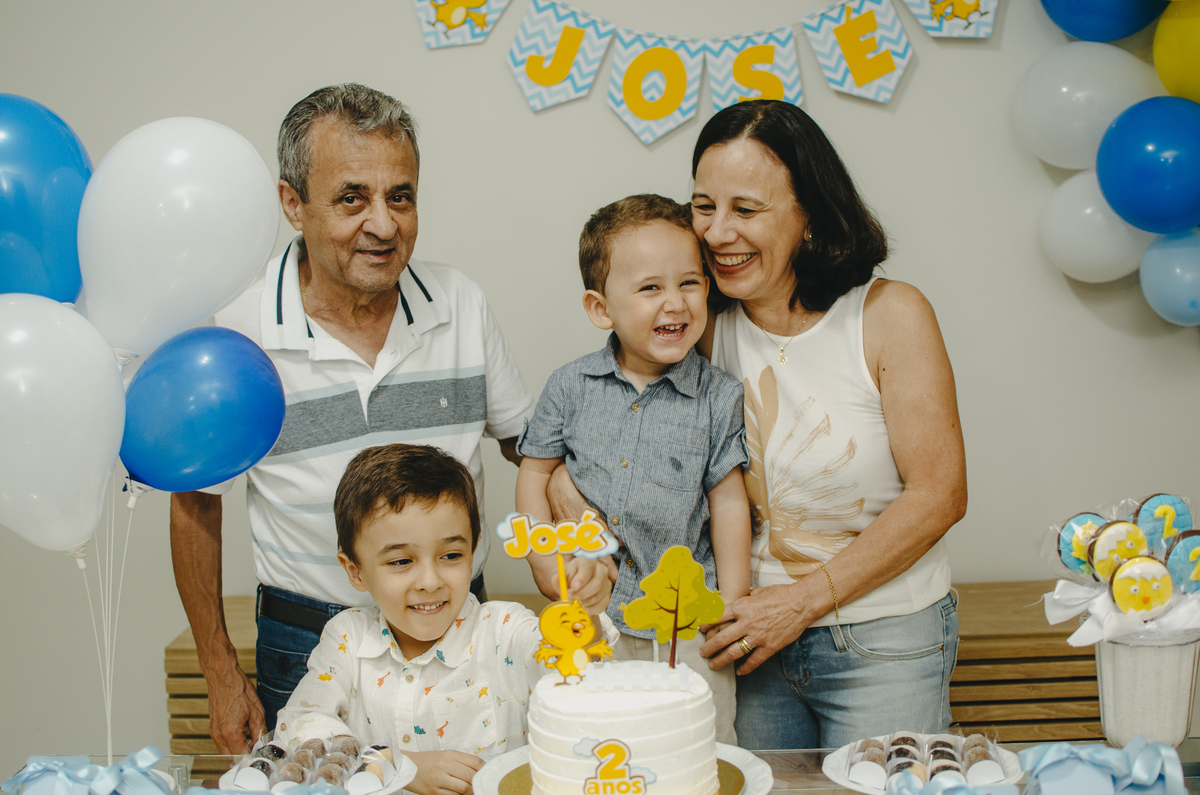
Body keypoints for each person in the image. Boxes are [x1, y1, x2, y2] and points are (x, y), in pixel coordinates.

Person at [170, 83, 534, 753]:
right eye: (351, 198)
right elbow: (195, 503)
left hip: (457, 628)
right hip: (305, 638)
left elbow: (531, 447)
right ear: (293, 203)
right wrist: (218, 669)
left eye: (401, 196)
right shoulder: (237, 329)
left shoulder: (461, 303)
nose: (384, 224)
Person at [687, 100, 968, 749]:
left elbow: (940, 493)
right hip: (751, 641)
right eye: (704, 206)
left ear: (810, 215)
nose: (718, 232)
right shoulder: (699, 326)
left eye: (746, 209)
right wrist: (557, 480)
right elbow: (616, 411)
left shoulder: (889, 314)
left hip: (884, 638)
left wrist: (800, 602)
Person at [516, 194, 751, 744]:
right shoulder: (569, 386)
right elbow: (534, 474)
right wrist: (545, 565)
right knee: (594, 744)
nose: (675, 303)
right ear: (601, 309)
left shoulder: (719, 397)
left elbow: (728, 501)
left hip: (687, 626)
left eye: (689, 283)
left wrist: (733, 602)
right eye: (650, 288)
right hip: (595, 615)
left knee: (697, 749)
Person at [275, 444, 613, 794]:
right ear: (355, 571)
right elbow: (297, 729)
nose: (430, 581)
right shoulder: (347, 639)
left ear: (473, 550)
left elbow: (578, 676)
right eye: (401, 561)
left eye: (451, 555)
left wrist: (584, 613)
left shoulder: (504, 630)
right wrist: (397, 766)